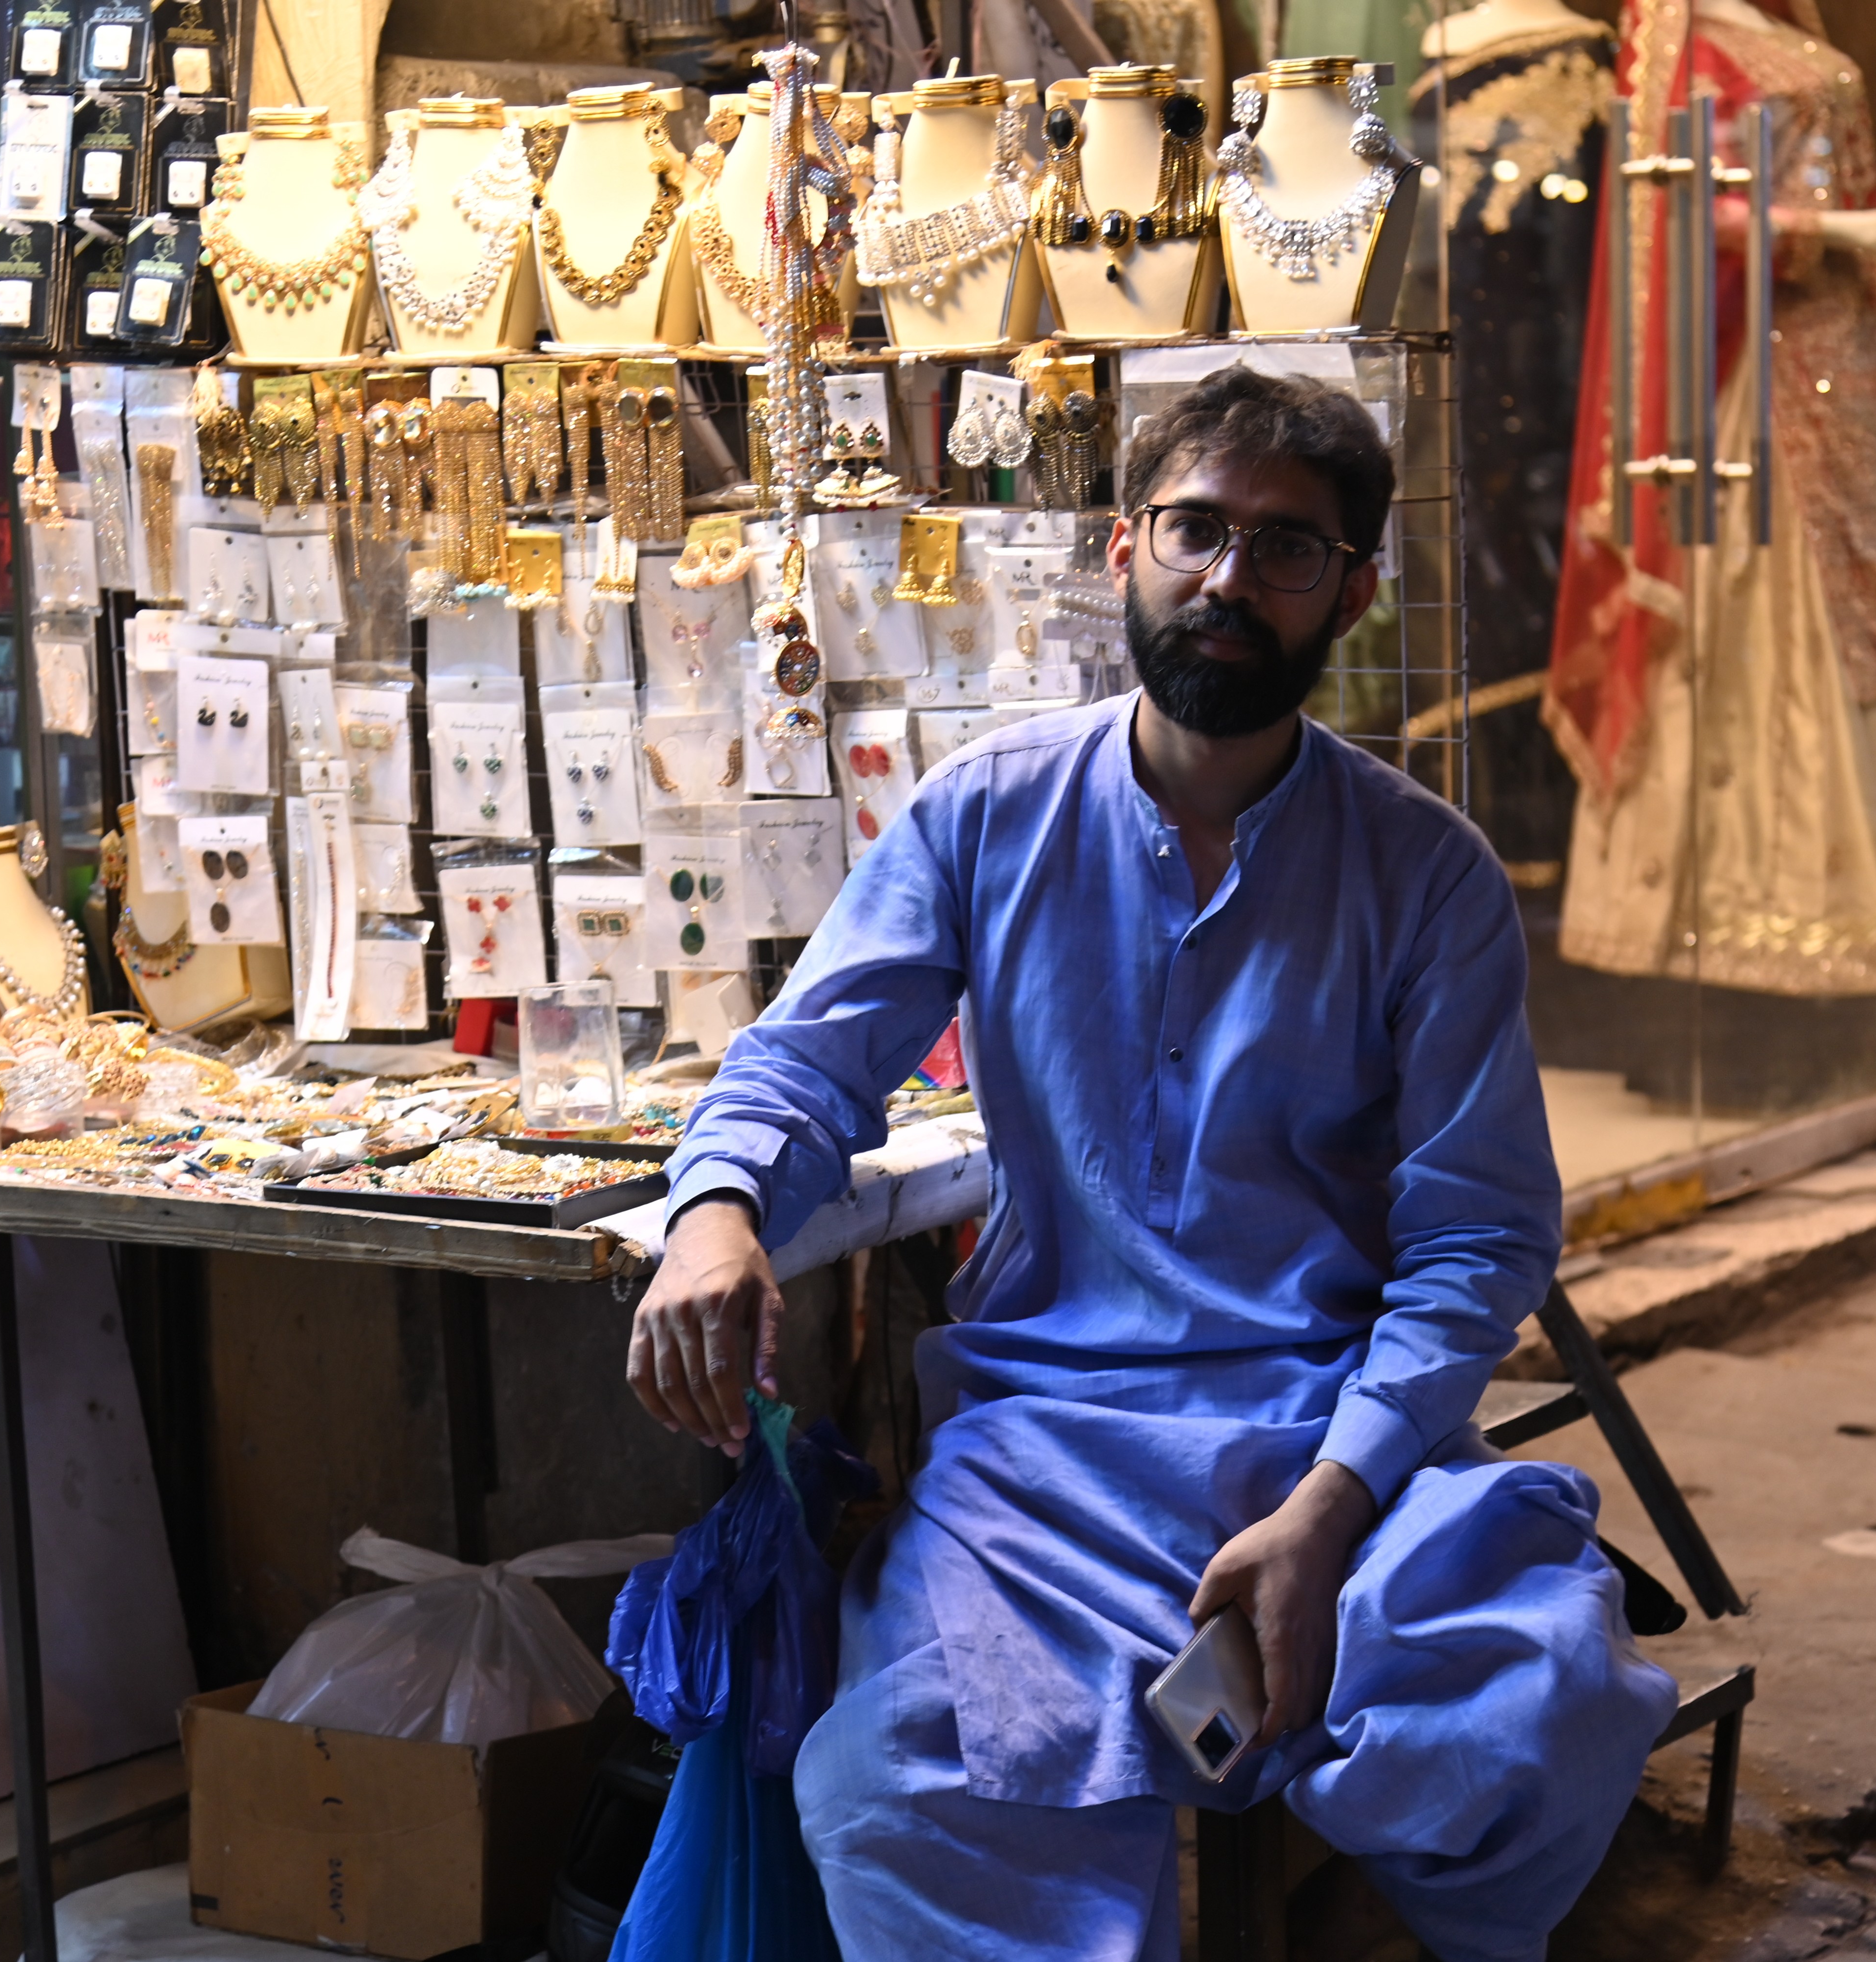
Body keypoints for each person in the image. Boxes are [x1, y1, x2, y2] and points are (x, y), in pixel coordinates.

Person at [629, 365, 1677, 1962]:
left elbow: (1477, 1242)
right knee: (890, 1775)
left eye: (1288, 549)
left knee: (1532, 1720)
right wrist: (714, 1220)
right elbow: (803, 1058)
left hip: (1333, 1437)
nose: (1230, 580)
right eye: (1197, 530)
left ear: (1354, 591)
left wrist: (1330, 1513)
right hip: (1049, 1453)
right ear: (1125, 549)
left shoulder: (1429, 878)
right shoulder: (986, 819)